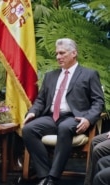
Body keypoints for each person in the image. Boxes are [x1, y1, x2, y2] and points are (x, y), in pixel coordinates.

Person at [22, 38, 104, 185]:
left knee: (64, 127)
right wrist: (32, 112)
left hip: (75, 118)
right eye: (57, 54)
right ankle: (43, 175)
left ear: (74, 53)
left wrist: (88, 119)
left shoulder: (89, 74)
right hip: (51, 117)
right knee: (28, 129)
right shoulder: (50, 76)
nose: (58, 57)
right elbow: (40, 100)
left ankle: (53, 177)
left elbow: (99, 102)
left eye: (62, 53)